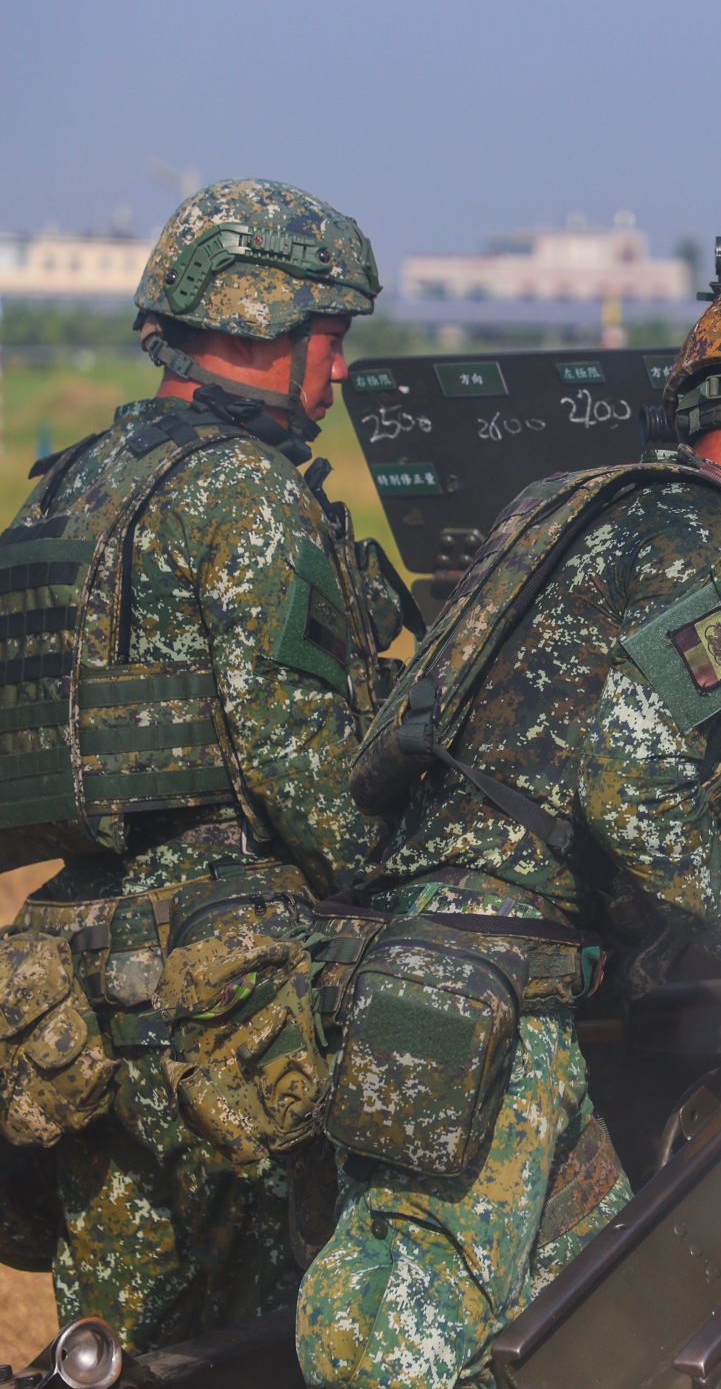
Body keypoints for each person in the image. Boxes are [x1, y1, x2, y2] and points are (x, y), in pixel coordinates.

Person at [296, 268, 721, 1389]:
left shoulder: (597, 506)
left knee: (595, 1326)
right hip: (483, 998)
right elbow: (628, 777)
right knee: (406, 1333)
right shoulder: (712, 536)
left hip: (473, 982)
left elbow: (563, 792)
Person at [0, 180, 409, 1349]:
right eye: (328, 339)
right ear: (260, 324)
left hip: (68, 969)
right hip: (226, 985)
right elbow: (305, 775)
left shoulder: (72, 481)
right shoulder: (247, 493)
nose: (334, 375)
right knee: (256, 1340)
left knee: (116, 1340)